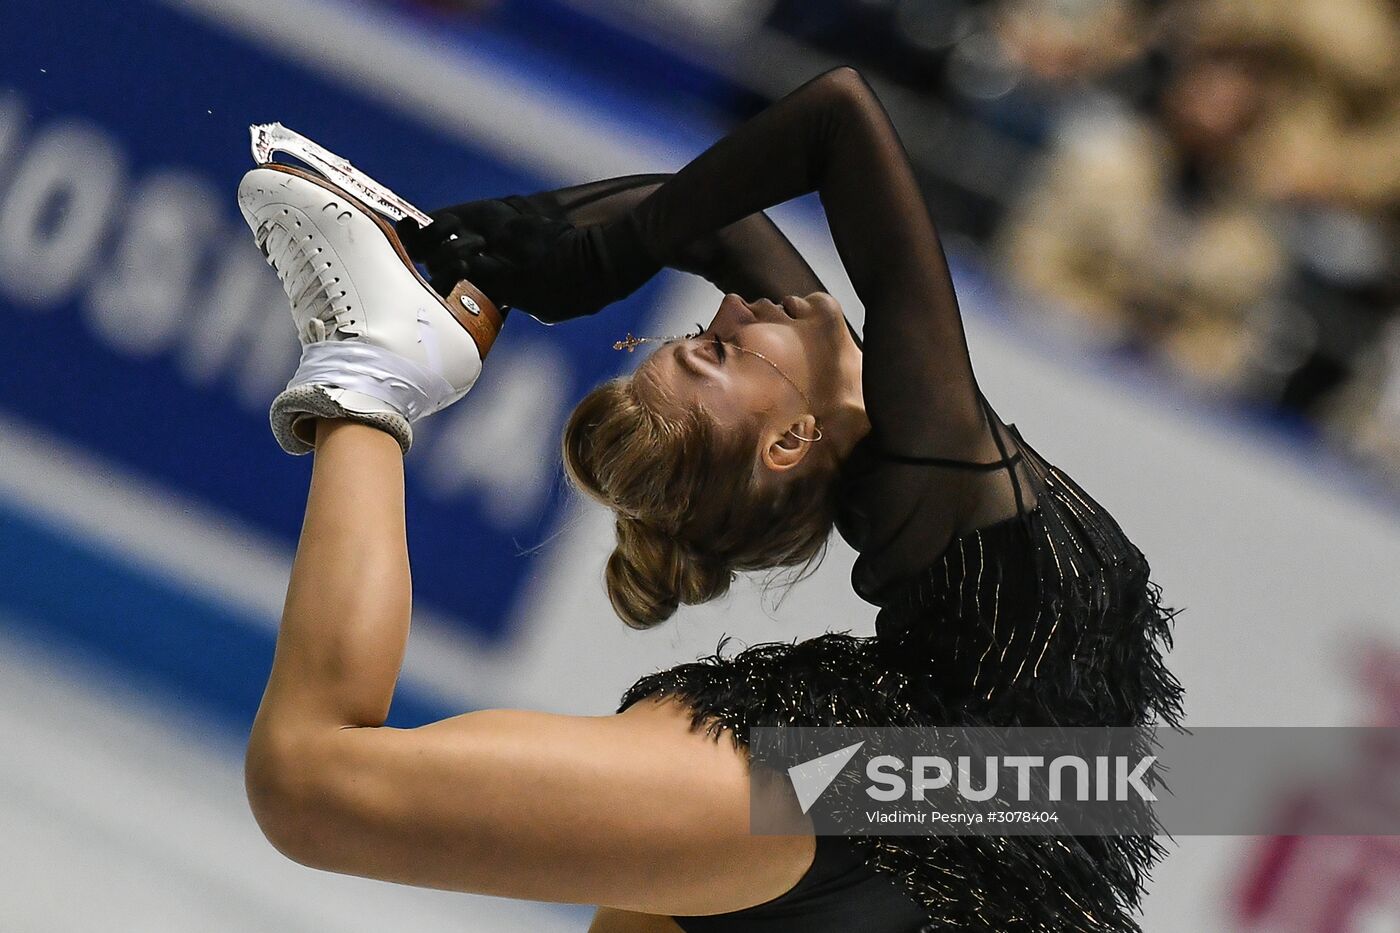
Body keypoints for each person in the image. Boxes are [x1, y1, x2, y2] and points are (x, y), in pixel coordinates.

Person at [243, 67, 1180, 932]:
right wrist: (595, 252)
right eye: (721, 351)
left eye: (706, 336)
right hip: (881, 787)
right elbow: (827, 125)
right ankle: (374, 376)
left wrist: (495, 243)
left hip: (951, 828)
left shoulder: (887, 443)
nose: (734, 307)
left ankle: (388, 351)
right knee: (313, 781)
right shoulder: (934, 454)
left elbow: (714, 213)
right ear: (785, 441)